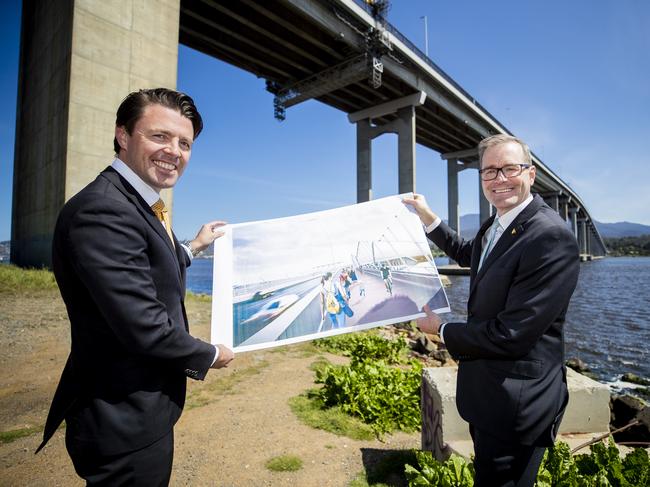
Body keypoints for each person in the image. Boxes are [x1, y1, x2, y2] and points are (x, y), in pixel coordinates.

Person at [36, 88, 235, 486]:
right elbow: (143, 325)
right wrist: (212, 354)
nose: (174, 151)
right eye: (159, 136)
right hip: (121, 417)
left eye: (184, 143)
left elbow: (148, 266)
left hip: (142, 409)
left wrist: (194, 246)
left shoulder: (138, 204)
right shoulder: (103, 209)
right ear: (123, 135)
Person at [403, 134, 579, 486]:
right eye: (489, 171)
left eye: (509, 168)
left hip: (517, 404)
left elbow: (512, 335)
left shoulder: (549, 236)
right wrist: (428, 218)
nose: (499, 179)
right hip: (489, 395)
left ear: (531, 174)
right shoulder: (497, 223)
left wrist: (441, 329)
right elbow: (472, 255)